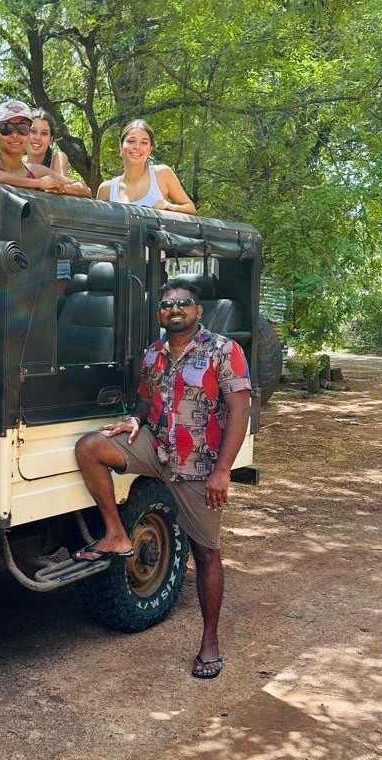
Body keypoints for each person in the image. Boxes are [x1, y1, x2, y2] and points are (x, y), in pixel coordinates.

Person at [72, 278, 251, 680]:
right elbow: (147, 400)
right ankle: (116, 535)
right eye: (167, 304)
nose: (175, 309)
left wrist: (223, 470)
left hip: (199, 463)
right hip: (157, 449)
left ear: (198, 311)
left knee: (205, 553)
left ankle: (209, 642)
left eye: (184, 303)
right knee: (90, 448)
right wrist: (135, 418)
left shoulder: (224, 351)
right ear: (159, 314)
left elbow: (240, 412)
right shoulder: (152, 355)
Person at [0, 100, 90, 197]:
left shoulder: (36, 171)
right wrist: (38, 184)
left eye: (23, 128)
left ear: (28, 136)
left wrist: (58, 188)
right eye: (6, 128)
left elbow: (85, 190)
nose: (15, 134)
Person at [97, 119, 196, 213]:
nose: (137, 147)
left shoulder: (162, 175)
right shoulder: (106, 189)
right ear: (121, 146)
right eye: (131, 141)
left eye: (144, 142)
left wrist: (171, 207)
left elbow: (191, 208)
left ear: (150, 150)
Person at [25, 108, 70, 176]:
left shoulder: (58, 158)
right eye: (33, 131)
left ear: (51, 140)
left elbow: (61, 184)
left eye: (44, 133)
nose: (37, 138)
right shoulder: (17, 162)